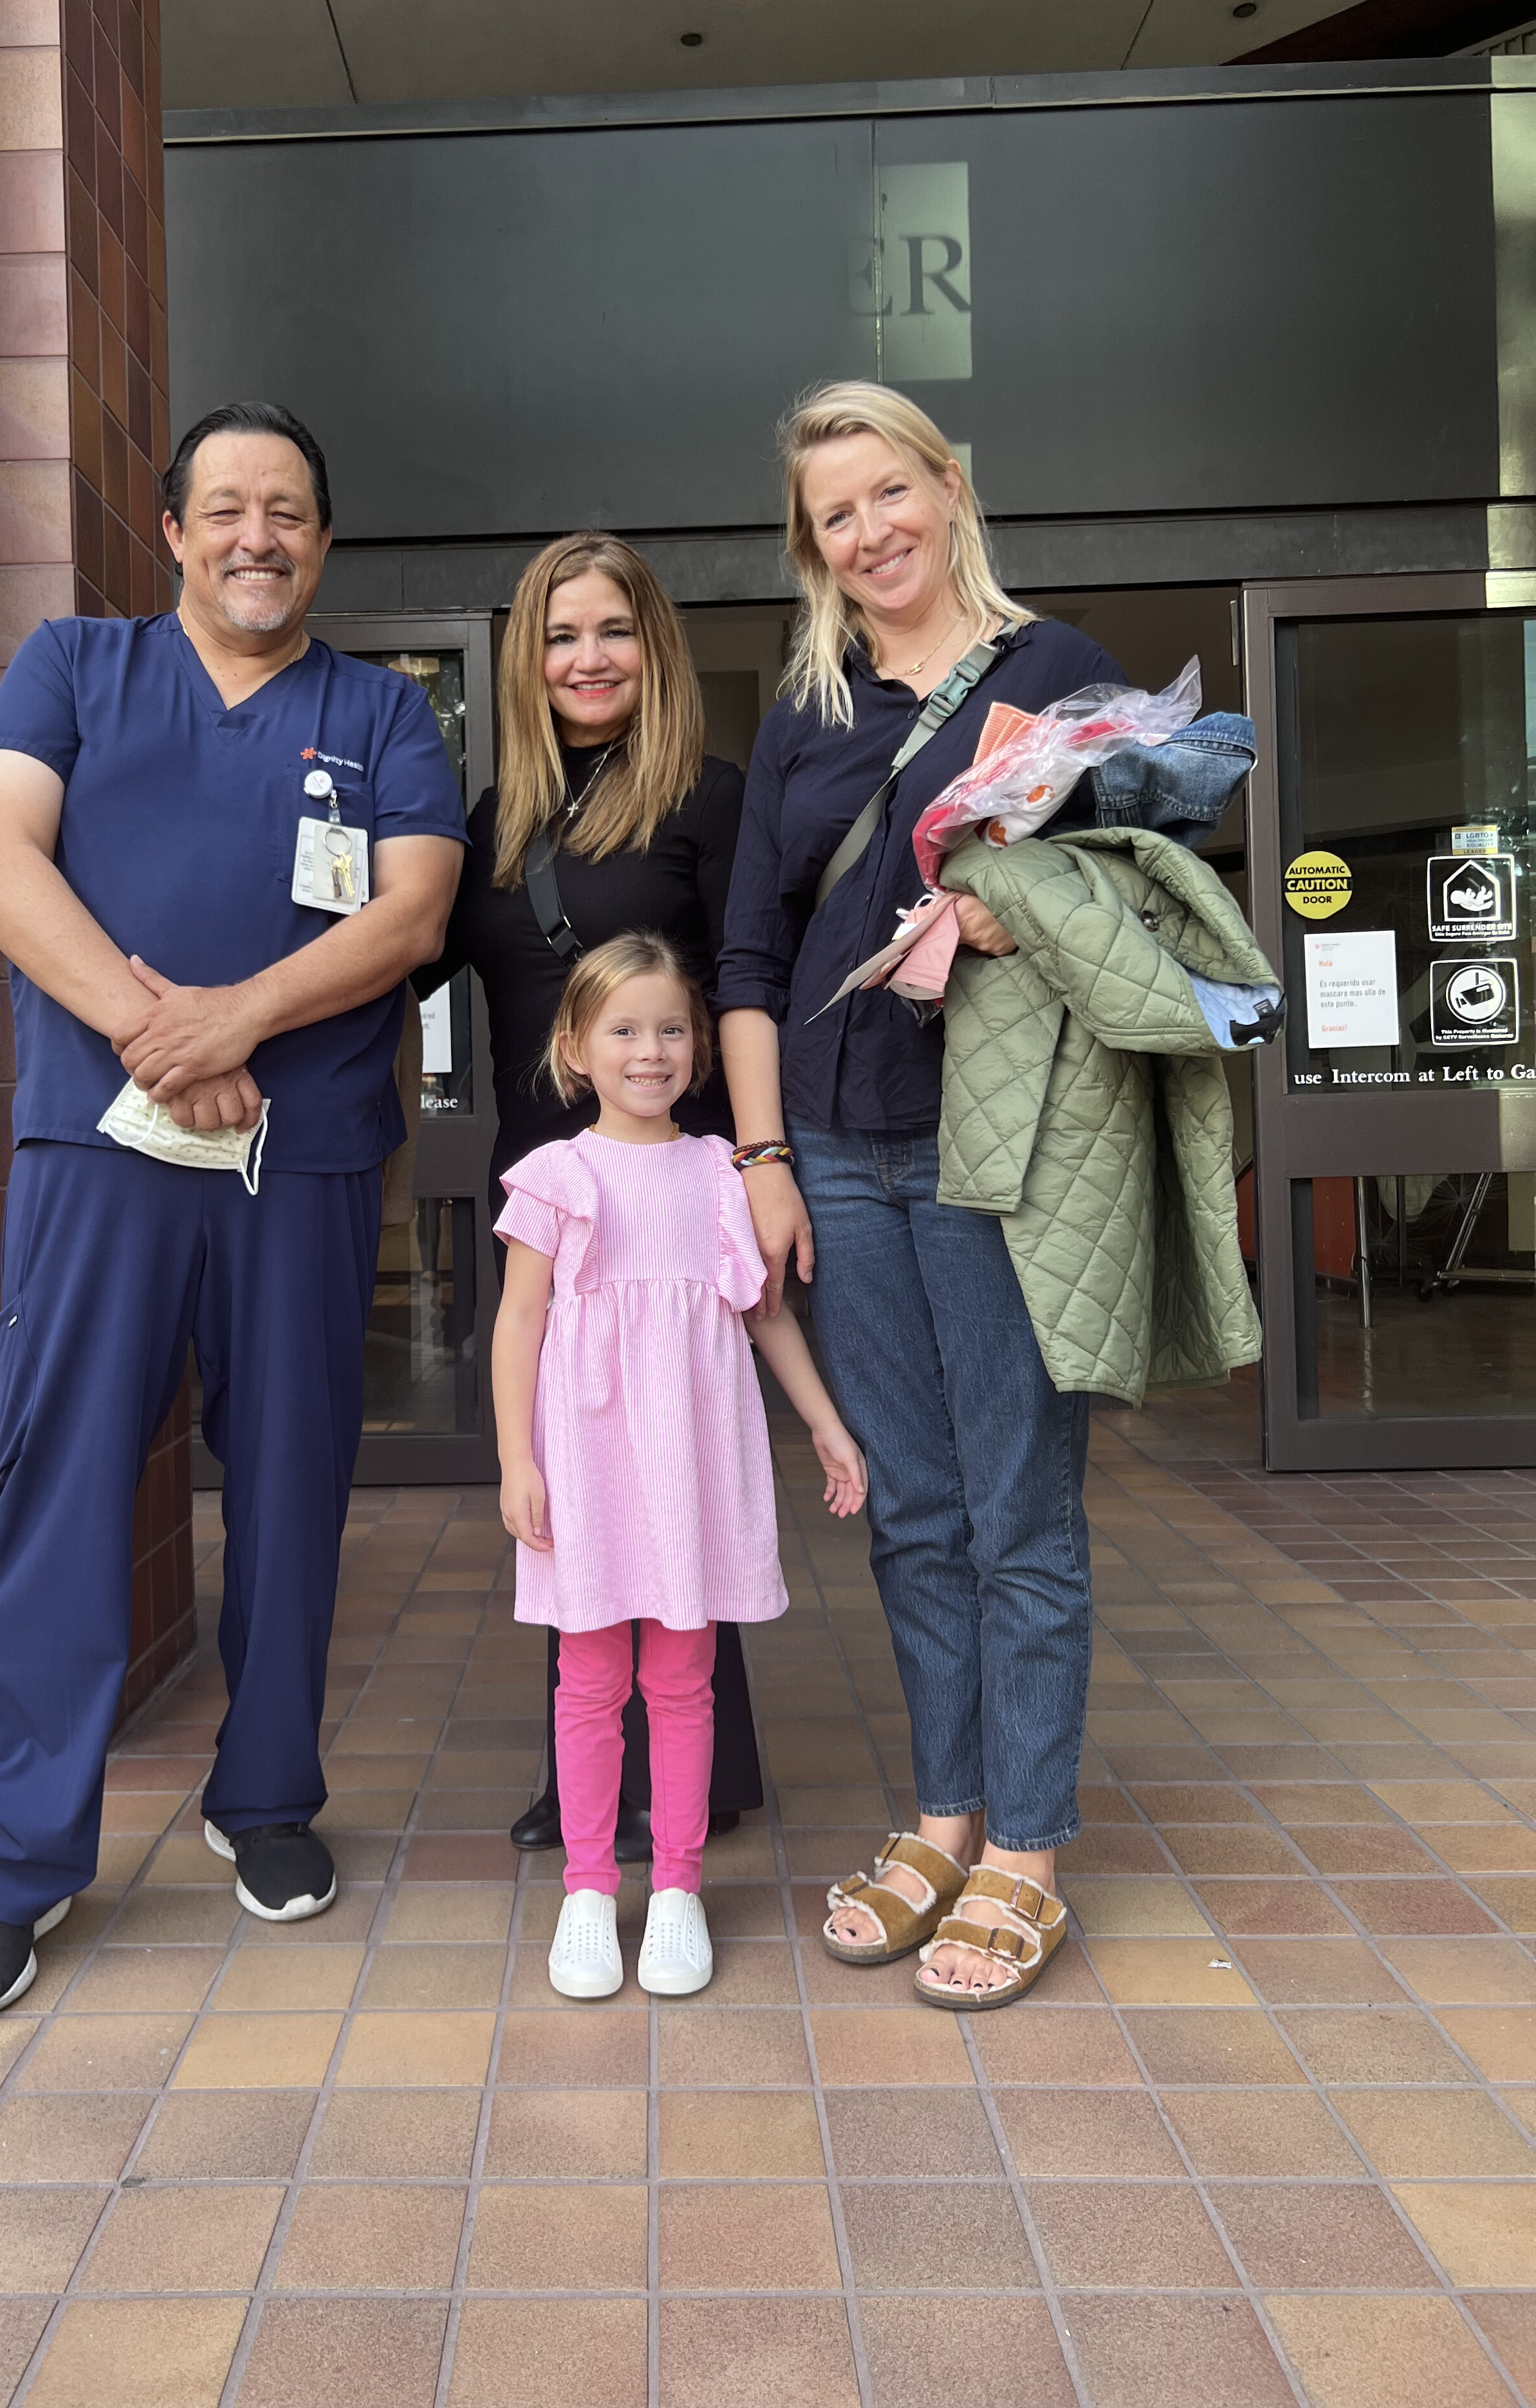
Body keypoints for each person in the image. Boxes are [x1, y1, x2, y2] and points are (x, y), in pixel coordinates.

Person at [0, 401, 467, 2019]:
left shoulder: (382, 711)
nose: (257, 536)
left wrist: (237, 1024)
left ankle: (268, 1799)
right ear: (171, 532)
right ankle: (12, 1865)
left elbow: (414, 907)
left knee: (293, 1495)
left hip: (296, 1167)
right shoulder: (73, 666)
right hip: (102, 1154)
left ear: (322, 538)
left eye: (288, 511)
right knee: (65, 1485)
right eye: (225, 508)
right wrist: (164, 1040)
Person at [716, 381, 1133, 2010]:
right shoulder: (808, 708)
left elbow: (1127, 896)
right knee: (908, 1508)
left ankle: (1030, 1843)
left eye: (893, 492)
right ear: (811, 544)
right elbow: (749, 952)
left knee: (1018, 1500)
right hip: (835, 1141)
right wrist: (760, 1157)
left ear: (951, 488)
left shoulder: (1059, 675)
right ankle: (946, 1815)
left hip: (996, 1143)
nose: (873, 531)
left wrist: (1012, 915)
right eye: (838, 513)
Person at [425, 533, 765, 1855]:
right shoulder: (492, 822)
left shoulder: (711, 799)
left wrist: (757, 1162)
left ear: (653, 646)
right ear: (529, 659)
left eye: (612, 631)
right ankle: (593, 1776)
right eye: (562, 636)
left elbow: (745, 988)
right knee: (568, 1480)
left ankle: (691, 1772)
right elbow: (400, 958)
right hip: (551, 1198)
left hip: (675, 1188)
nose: (587, 658)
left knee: (672, 1471)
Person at [492, 936, 865, 1999]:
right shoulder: (557, 1177)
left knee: (685, 1681)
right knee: (590, 1680)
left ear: (698, 1051)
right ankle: (586, 1890)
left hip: (693, 1461)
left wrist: (828, 1427)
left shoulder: (718, 1171)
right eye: (623, 1030)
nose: (648, 1051)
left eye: (670, 1030)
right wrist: (518, 1458)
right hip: (593, 1464)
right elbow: (519, 1324)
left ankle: (679, 1890)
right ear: (576, 1050)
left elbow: (764, 1317)